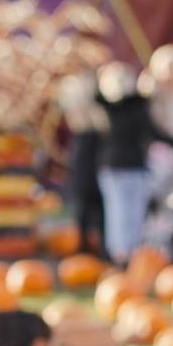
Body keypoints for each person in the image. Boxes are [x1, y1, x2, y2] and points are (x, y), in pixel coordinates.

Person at [95, 62, 173, 264]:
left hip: (132, 167)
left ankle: (129, 255)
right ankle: (121, 255)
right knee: (121, 212)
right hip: (117, 168)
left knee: (130, 213)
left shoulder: (137, 106)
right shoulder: (110, 108)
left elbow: (153, 131)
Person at [56, 71, 108, 259]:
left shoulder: (99, 109)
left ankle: (97, 248)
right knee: (85, 206)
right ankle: (85, 248)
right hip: (85, 157)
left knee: (95, 206)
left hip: (94, 155)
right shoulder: (79, 117)